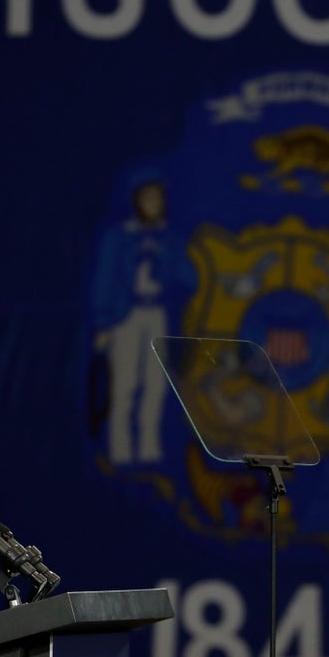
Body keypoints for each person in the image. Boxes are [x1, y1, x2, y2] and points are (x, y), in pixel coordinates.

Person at [90, 166, 197, 464]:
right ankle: (120, 448)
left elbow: (189, 279)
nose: (154, 205)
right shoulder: (118, 239)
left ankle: (149, 447)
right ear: (136, 201)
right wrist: (102, 322)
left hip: (157, 313)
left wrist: (171, 253)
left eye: (159, 199)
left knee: (156, 383)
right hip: (126, 316)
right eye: (148, 199)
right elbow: (104, 280)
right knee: (125, 383)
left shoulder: (169, 241)